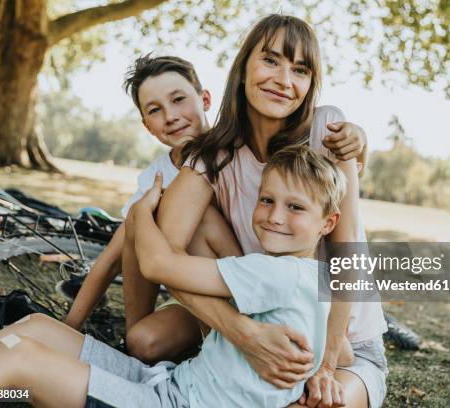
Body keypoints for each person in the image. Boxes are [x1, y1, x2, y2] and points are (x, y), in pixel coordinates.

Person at [123, 14, 387, 408]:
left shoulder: (328, 131)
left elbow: (346, 256)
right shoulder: (211, 156)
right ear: (243, 68)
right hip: (265, 319)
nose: (284, 80)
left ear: (310, 84)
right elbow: (163, 256)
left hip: (346, 347)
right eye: (270, 61)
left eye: (300, 70)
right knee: (182, 227)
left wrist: (327, 365)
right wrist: (243, 334)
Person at [0, 145, 349, 408]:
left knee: (20, 359)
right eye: (267, 200)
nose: (275, 216)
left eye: (295, 207)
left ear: (327, 223)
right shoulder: (312, 277)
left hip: (174, 404)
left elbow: (159, 264)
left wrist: (142, 212)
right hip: (171, 383)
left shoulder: (277, 272)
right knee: (37, 327)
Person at [62, 52, 368, 363]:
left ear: (205, 99)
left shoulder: (236, 145)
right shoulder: (157, 176)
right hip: (203, 289)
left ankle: (232, 343)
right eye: (155, 110)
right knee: (142, 339)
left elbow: (329, 179)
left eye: (179, 99)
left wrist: (361, 142)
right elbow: (116, 254)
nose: (171, 115)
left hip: (256, 277)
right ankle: (137, 350)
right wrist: (70, 326)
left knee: (182, 219)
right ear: (146, 125)